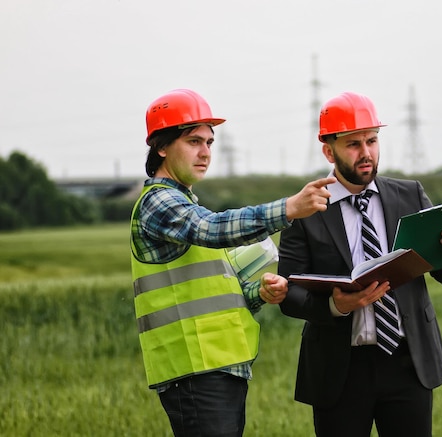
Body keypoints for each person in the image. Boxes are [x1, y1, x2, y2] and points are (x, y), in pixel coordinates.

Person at [130, 88, 336, 437]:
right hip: (194, 369)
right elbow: (211, 229)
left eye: (210, 143)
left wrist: (259, 292)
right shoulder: (158, 203)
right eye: (194, 141)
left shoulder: (187, 203)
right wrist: (287, 209)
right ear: (162, 147)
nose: (205, 152)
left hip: (219, 367)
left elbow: (220, 289)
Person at [278, 91, 442, 437]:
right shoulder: (305, 209)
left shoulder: (410, 194)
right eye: (353, 144)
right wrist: (335, 306)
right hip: (339, 369)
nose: (366, 153)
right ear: (328, 150)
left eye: (372, 141)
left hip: (408, 362)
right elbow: (288, 294)